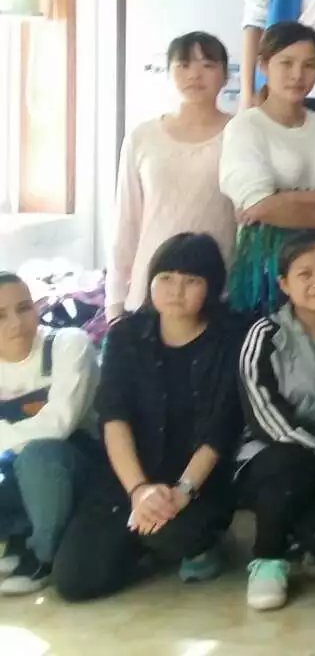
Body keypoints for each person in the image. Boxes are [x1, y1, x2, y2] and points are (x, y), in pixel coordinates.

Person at [53, 234, 241, 601]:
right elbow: (114, 418)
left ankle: (187, 542)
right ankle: (140, 535)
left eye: (191, 281)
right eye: (165, 278)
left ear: (212, 287)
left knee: (174, 534)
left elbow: (221, 427)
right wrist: (138, 490)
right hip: (130, 476)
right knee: (75, 581)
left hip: (196, 482)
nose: (176, 291)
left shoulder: (231, 338)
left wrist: (183, 491)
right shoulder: (126, 335)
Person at [235, 232, 315, 610]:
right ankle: (268, 558)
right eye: (304, 274)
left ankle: (312, 537)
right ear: (284, 284)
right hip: (280, 454)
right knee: (289, 462)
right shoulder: (266, 334)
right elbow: (265, 416)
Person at [109, 31, 236, 320]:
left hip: (216, 289)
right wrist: (114, 301)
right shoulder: (142, 137)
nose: (195, 75)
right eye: (184, 64)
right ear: (168, 72)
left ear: (226, 76)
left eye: (208, 65)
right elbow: (126, 221)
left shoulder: (241, 133)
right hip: (150, 288)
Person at [221, 23, 315, 318]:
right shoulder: (245, 126)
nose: (297, 75)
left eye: (309, 65)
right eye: (286, 63)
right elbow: (258, 205)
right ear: (263, 65)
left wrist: (285, 199)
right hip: (266, 263)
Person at [0, 271, 99, 595]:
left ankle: (42, 555)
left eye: (23, 308)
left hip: (79, 465)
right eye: (0, 315)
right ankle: (18, 533)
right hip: (17, 465)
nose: (16, 323)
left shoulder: (68, 344)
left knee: (38, 455)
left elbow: (59, 424)